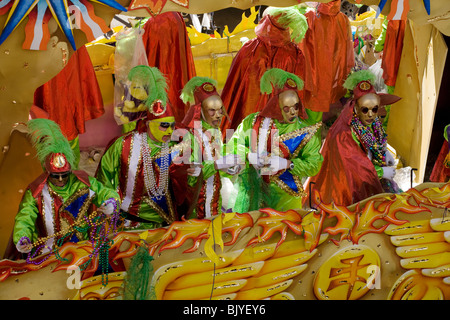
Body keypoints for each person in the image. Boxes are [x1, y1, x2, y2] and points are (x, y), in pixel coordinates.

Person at [11, 119, 120, 258]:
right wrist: (23, 237)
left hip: (83, 250)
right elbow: (25, 217)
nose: (61, 179)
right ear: (47, 172)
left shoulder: (83, 182)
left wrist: (111, 202)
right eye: (56, 176)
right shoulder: (36, 191)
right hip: (47, 253)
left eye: (64, 174)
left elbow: (104, 192)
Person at [96, 66, 188, 229]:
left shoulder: (178, 142)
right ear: (147, 124)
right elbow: (102, 181)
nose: (169, 130)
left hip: (170, 224)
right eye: (164, 125)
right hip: (130, 224)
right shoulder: (123, 145)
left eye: (172, 125)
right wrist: (109, 200)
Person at [228, 68, 323, 213]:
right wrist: (248, 155)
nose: (293, 112)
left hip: (287, 200)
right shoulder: (252, 122)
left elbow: (314, 163)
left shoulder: (305, 131)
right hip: (253, 197)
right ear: (276, 106)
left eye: (296, 107)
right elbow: (233, 145)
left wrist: (288, 164)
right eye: (287, 108)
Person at [306, 70, 402, 207]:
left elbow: (373, 142)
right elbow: (354, 165)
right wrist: (380, 172)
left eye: (375, 109)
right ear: (355, 107)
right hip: (346, 188)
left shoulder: (371, 122)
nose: (370, 114)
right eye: (365, 110)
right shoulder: (343, 133)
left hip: (368, 178)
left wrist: (384, 152)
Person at [220, 6, 309, 135]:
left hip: (248, 113)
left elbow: (233, 88)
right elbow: (298, 90)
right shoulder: (295, 54)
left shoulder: (249, 48)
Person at [178, 76, 241, 219]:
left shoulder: (216, 132)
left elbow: (216, 166)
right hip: (196, 207)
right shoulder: (190, 135)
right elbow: (190, 177)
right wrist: (218, 165)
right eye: (212, 110)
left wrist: (228, 169)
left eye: (220, 110)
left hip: (215, 202)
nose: (218, 115)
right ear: (199, 111)